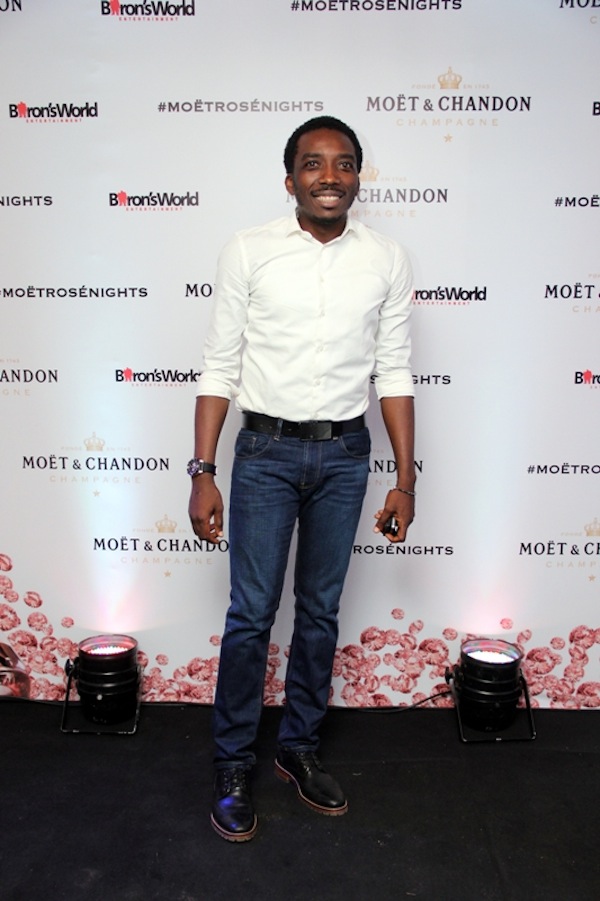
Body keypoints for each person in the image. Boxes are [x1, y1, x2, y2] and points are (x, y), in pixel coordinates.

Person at [188, 116, 416, 842]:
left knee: (319, 612)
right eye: (313, 164)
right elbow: (219, 365)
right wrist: (203, 471)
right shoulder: (248, 250)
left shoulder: (386, 258)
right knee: (252, 614)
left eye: (344, 163)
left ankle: (299, 747)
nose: (329, 176)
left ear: (358, 177)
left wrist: (405, 480)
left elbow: (394, 370)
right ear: (289, 179)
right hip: (264, 454)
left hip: (346, 456)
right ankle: (232, 764)